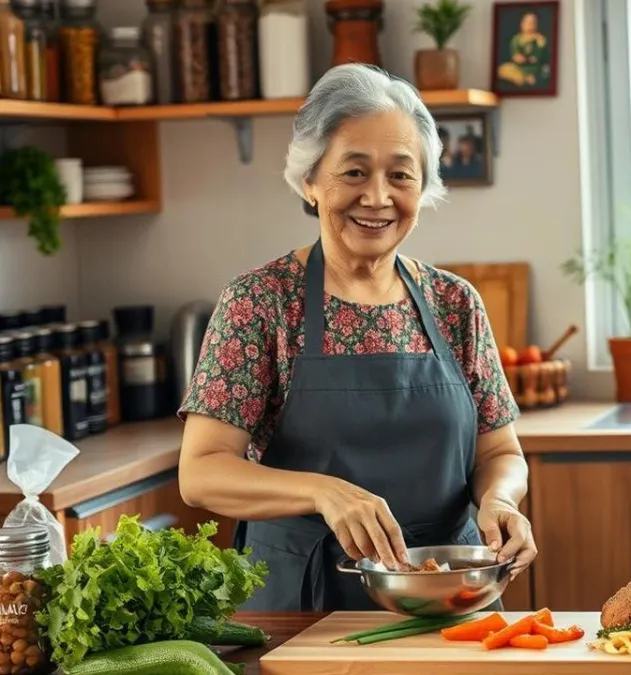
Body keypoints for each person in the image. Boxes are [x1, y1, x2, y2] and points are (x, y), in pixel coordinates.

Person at [176, 64, 537, 612]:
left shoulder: (455, 303)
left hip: (451, 594)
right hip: (305, 602)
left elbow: (500, 451)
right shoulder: (261, 302)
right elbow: (201, 472)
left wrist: (501, 499)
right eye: (353, 172)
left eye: (401, 175)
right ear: (311, 180)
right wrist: (322, 491)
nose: (378, 197)